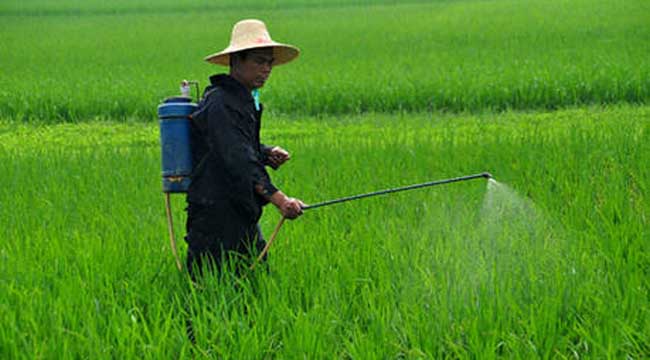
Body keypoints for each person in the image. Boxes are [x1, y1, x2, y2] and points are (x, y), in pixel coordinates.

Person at [185, 19, 304, 279]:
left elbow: (239, 145)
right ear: (237, 61)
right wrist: (280, 199)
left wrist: (265, 152)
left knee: (256, 285)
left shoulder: (241, 100)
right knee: (208, 293)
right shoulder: (219, 103)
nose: (266, 69)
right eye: (259, 61)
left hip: (241, 212)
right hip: (214, 217)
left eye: (269, 62)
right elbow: (237, 158)